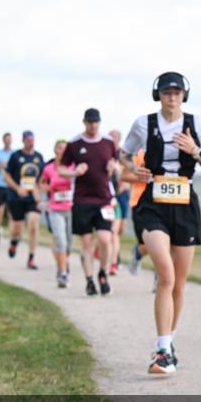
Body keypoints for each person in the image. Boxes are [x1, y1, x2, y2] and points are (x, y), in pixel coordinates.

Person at [121, 72, 201, 374]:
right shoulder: (143, 123)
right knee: (165, 274)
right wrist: (132, 169)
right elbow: (123, 155)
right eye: (166, 93)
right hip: (153, 203)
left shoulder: (197, 124)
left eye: (177, 93)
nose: (172, 98)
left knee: (178, 281)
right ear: (158, 95)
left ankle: (168, 342)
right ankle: (162, 349)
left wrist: (195, 151)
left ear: (184, 96)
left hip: (185, 203)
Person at [60, 109, 117, 295]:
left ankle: (103, 273)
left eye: (96, 122)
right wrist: (74, 172)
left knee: (105, 239)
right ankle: (89, 280)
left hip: (104, 198)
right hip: (82, 199)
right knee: (86, 243)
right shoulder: (75, 143)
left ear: (99, 123)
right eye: (90, 122)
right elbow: (61, 169)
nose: (93, 126)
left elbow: (116, 162)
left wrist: (113, 166)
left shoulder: (108, 142)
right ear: (84, 123)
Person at [3, 130, 44, 269]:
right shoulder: (16, 156)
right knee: (17, 229)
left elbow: (41, 179)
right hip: (17, 196)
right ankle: (14, 242)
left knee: (34, 224)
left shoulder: (39, 157)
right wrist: (16, 188)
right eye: (27, 139)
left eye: (32, 139)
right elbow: (6, 176)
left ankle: (31, 258)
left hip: (33, 197)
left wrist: (39, 197)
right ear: (23, 141)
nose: (30, 142)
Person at [41, 139, 75, 288]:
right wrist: (50, 189)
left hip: (72, 208)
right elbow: (42, 183)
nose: (63, 151)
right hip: (55, 209)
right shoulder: (49, 168)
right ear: (55, 150)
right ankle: (63, 273)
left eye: (65, 148)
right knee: (60, 239)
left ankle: (62, 262)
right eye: (60, 148)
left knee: (69, 244)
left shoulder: (73, 166)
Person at [108, 128, 132, 276]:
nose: (113, 139)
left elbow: (130, 173)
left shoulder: (124, 154)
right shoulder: (104, 152)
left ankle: (111, 251)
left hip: (122, 195)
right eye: (111, 136)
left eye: (115, 137)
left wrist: (125, 184)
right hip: (109, 197)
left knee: (121, 228)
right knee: (113, 231)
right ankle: (114, 259)